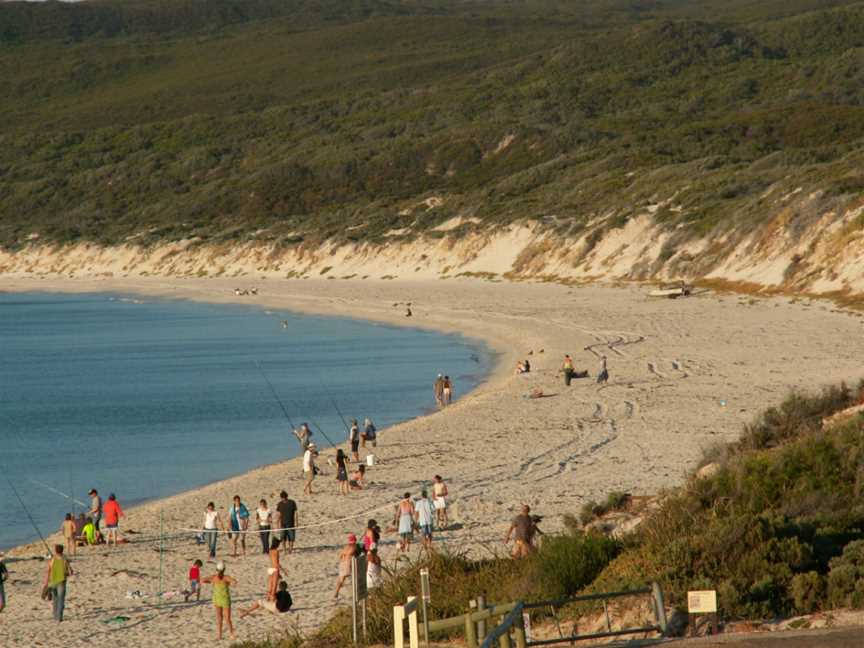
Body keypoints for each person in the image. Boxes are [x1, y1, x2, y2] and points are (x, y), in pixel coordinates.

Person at [202, 562, 236, 641]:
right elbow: (234, 581)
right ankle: (230, 634)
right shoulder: (225, 577)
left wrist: (211, 582)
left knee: (220, 618)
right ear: (224, 569)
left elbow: (203, 580)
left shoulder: (215, 577)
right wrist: (231, 584)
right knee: (227, 618)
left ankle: (220, 635)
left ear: (216, 569)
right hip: (224, 600)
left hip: (218, 599)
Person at [44, 545, 72, 622]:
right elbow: (70, 572)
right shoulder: (64, 560)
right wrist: (66, 573)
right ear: (62, 551)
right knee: (61, 599)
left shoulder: (52, 560)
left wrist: (46, 582)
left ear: (56, 551)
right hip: (62, 582)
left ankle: (55, 616)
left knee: (55, 599)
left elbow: (48, 571)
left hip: (52, 582)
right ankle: (59, 617)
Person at [334, 534, 359, 599]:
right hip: (348, 563)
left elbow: (341, 556)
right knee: (356, 577)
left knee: (341, 579)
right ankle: (356, 591)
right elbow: (356, 555)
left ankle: (336, 592)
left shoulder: (345, 547)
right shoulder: (354, 547)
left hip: (342, 563)